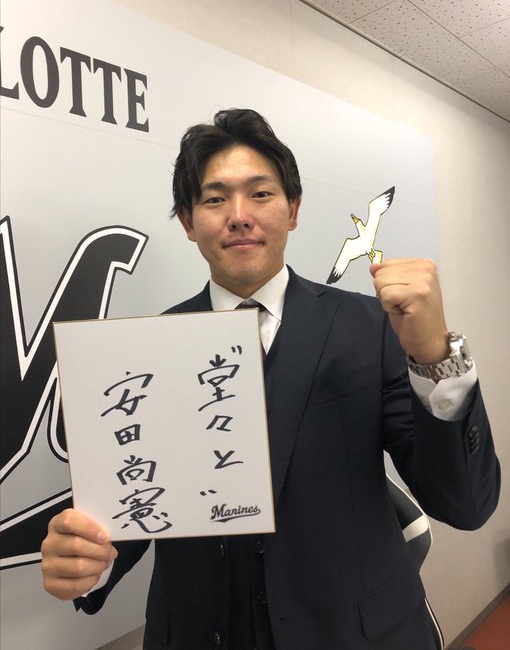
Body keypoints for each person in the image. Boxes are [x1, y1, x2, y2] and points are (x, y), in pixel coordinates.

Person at [41, 109, 500, 650]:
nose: (239, 216)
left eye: (260, 194)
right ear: (188, 222)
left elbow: (463, 503)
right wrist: (87, 559)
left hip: (354, 633)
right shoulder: (148, 349)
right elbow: (141, 495)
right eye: (215, 199)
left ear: (293, 209)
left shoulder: (371, 326)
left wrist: (435, 356)